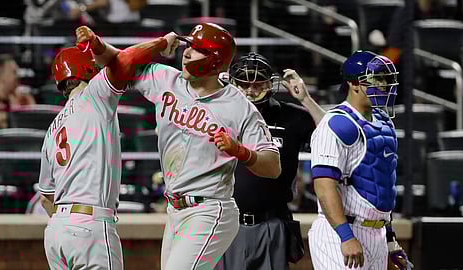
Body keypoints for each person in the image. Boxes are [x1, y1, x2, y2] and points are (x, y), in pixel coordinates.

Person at [76, 23, 281, 270]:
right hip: (175, 209)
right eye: (188, 45)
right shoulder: (166, 79)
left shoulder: (239, 106)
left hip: (210, 208)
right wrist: (100, 44)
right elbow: (119, 63)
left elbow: (273, 167)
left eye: (196, 49)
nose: (186, 52)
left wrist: (240, 151)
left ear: (215, 60)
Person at [38, 29, 177, 269]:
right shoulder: (94, 95)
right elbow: (125, 60)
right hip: (90, 224)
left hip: (56, 232)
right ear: (88, 69)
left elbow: (45, 197)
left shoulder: (52, 129)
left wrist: (67, 223)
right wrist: (163, 42)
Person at [308, 50, 412, 269]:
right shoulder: (336, 124)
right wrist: (345, 236)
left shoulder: (384, 123)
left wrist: (390, 240)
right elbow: (324, 187)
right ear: (354, 84)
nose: (384, 85)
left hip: (378, 234)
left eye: (385, 78)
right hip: (341, 231)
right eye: (377, 78)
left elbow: (382, 185)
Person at [219, 52, 325, 270]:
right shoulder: (217, 114)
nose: (251, 90)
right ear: (233, 84)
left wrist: (305, 99)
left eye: (258, 84)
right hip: (225, 223)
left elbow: (336, 136)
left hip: (271, 224)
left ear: (270, 84)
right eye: (244, 84)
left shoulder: (293, 116)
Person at [0, 54, 35, 134]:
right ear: (2, 75)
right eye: (14, 72)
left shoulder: (24, 98)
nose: (18, 76)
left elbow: (34, 125)